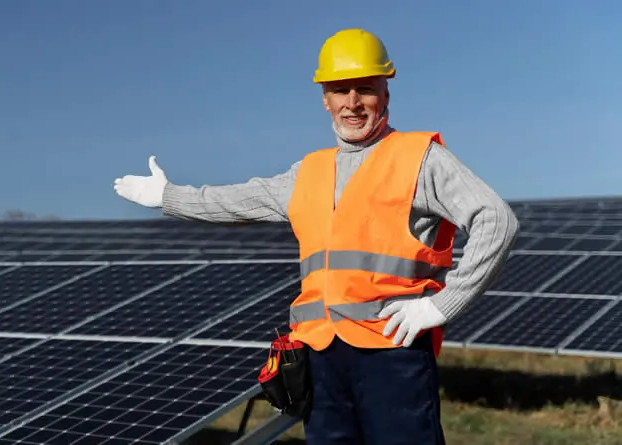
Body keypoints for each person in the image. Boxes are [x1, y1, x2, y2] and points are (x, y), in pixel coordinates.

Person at [113, 28, 519, 445]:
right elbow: (238, 200)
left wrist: (440, 306)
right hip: (319, 356)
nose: (352, 102)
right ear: (325, 98)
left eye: (365, 88)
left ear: (386, 93)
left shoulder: (421, 159)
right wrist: (167, 196)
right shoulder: (308, 172)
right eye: (340, 90)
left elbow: (497, 220)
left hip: (392, 353)